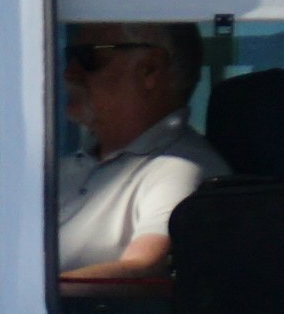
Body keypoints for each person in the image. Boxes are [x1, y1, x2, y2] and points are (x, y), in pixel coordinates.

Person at [50, 22, 227, 297]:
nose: (69, 73)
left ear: (149, 71)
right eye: (69, 55)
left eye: (88, 57)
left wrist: (17, 297)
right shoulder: (62, 169)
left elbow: (145, 268)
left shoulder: (180, 167)